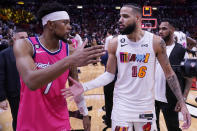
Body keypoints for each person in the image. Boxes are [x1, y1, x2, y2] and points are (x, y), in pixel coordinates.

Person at [64, 4, 191, 131]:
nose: (120, 20)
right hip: (121, 108)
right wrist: (85, 86)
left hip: (145, 108)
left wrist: (182, 102)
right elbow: (109, 75)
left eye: (125, 16)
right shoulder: (115, 42)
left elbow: (170, 74)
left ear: (137, 18)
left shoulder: (156, 42)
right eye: (120, 16)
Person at [13, 2, 105, 131]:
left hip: (60, 122)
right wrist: (70, 60)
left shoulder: (69, 51)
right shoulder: (25, 45)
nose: (69, 27)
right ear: (50, 24)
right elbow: (31, 81)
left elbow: (75, 86)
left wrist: (84, 113)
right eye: (65, 23)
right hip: (30, 122)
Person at [155, 19, 193, 131]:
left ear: (172, 30)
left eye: (164, 28)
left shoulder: (181, 51)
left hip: (170, 99)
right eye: (159, 29)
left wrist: (183, 98)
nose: (160, 31)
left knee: (173, 128)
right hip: (152, 98)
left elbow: (189, 78)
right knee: (152, 128)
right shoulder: (155, 48)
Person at [0, 28, 28, 131]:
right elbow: (0, 77)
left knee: (31, 117)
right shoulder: (4, 54)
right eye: (22, 37)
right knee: (18, 118)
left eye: (26, 37)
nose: (25, 39)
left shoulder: (31, 52)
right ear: (14, 39)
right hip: (15, 94)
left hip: (30, 92)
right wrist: (2, 98)